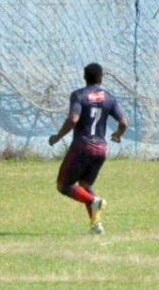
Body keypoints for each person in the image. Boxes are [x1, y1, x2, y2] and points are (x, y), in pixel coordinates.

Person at [48, 63, 128, 234]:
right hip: (100, 149)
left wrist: (58, 136)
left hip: (82, 147)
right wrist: (118, 135)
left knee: (63, 185)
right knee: (84, 184)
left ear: (85, 77)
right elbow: (123, 123)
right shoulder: (109, 98)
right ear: (100, 78)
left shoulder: (79, 95)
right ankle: (96, 224)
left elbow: (73, 119)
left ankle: (93, 200)